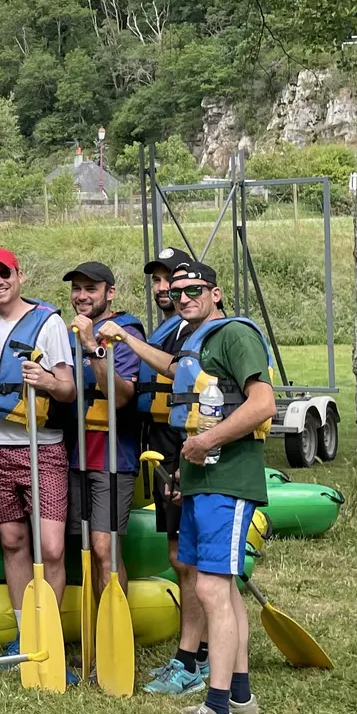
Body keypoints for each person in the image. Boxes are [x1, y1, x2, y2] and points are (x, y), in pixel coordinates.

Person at [140, 261, 273, 714]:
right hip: (199, 478)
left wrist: (202, 443)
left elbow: (262, 404)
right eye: (176, 292)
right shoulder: (195, 343)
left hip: (229, 480)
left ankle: (216, 713)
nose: (184, 297)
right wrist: (183, 466)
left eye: (194, 289)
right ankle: (240, 695)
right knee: (223, 589)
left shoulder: (234, 335)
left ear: (215, 293)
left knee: (213, 590)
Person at [97, 249, 211, 690]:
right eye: (160, 282)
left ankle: (193, 659)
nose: (165, 289)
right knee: (180, 556)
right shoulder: (173, 328)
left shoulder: (201, 330)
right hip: (164, 444)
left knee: (189, 559)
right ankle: (193, 653)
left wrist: (123, 341)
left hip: (191, 444)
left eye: (174, 282)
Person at [0, 247, 74, 661]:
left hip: (40, 447)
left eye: (3, 274)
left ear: (19, 275)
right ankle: (23, 632)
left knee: (52, 546)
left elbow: (68, 387)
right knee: (12, 541)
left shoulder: (49, 323)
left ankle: (50, 632)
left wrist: (45, 378)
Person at [62, 261, 144, 604]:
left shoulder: (125, 334)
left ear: (110, 294)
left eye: (90, 289)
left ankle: (115, 636)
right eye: (77, 289)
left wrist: (91, 344)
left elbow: (121, 396)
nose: (82, 296)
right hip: (74, 455)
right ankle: (96, 633)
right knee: (85, 549)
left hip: (113, 457)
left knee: (104, 546)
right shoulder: (66, 333)